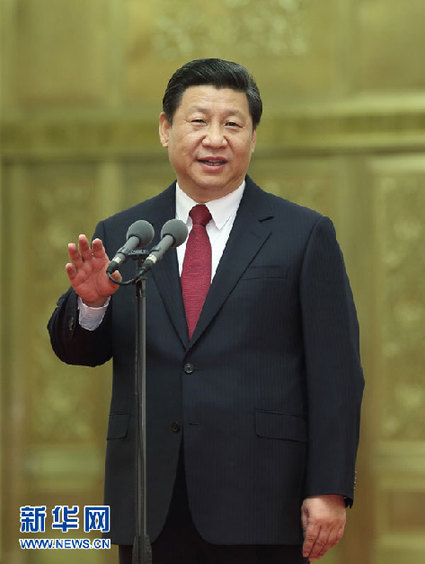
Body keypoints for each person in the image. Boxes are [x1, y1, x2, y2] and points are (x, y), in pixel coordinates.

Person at [48, 58, 364, 564]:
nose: (214, 139)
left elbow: (337, 374)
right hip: (150, 500)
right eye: (198, 121)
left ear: (253, 137)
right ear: (165, 129)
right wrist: (92, 303)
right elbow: (78, 351)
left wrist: (329, 488)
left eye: (232, 124)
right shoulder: (126, 234)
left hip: (263, 499)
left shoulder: (303, 234)